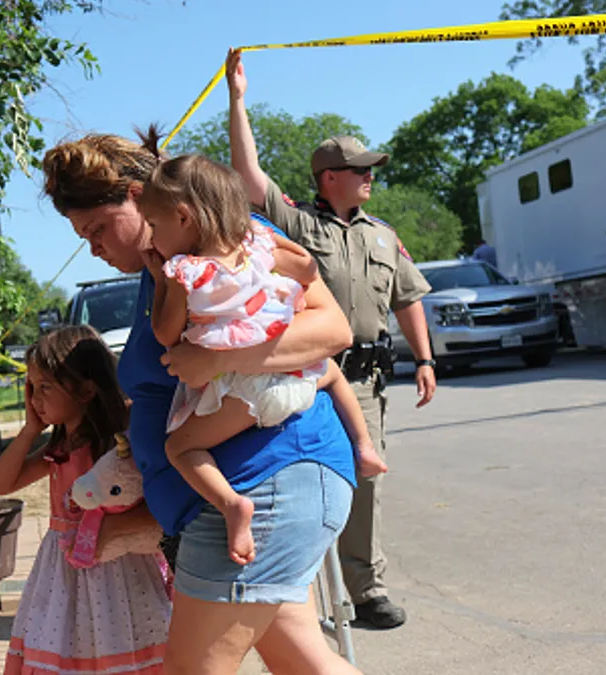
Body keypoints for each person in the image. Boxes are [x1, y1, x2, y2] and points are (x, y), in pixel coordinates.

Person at [43, 129, 363, 674]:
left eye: (97, 228)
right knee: (306, 665)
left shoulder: (226, 241)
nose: (93, 246)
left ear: (139, 195)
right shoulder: (164, 271)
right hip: (230, 497)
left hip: (267, 481)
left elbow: (333, 330)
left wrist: (222, 360)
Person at [226, 48, 437, 629]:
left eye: (371, 168)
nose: (370, 177)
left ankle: (365, 590)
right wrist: (237, 100)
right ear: (329, 177)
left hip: (366, 379)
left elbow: (408, 297)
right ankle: (301, 594)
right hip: (310, 375)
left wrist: (424, 358)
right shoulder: (298, 225)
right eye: (360, 169)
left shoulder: (382, 235)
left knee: (365, 482)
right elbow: (249, 178)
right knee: (301, 480)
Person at [140, 153, 386, 565]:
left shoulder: (183, 270)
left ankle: (232, 506)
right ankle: (364, 446)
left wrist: (159, 282)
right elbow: (307, 269)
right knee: (331, 372)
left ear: (184, 217)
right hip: (296, 371)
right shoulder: (259, 246)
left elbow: (165, 333)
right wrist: (272, 252)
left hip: (245, 390)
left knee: (180, 449)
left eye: (153, 225)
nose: (151, 238)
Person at [0, 325, 170, 675]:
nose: (35, 399)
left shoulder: (114, 447)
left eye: (44, 387)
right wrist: (29, 430)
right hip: (61, 574)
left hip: (118, 568)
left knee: (119, 644)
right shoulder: (57, 448)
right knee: (67, 646)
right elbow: (1, 484)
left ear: (86, 389)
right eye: (30, 388)